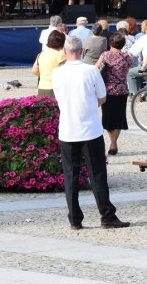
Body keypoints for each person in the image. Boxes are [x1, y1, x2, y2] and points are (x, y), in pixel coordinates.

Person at [52, 36, 129, 230]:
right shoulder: (90, 71)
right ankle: (107, 215)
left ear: (64, 51)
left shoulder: (57, 73)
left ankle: (74, 219)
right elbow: (102, 98)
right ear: (82, 51)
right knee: (97, 174)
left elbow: (59, 97)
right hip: (89, 129)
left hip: (68, 129)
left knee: (70, 175)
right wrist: (88, 105)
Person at [95, 32, 132, 156]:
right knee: (119, 117)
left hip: (108, 90)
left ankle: (113, 143)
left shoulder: (105, 55)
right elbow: (128, 69)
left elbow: (96, 69)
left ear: (111, 43)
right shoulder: (127, 56)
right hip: (122, 90)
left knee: (108, 117)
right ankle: (114, 142)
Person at [33, 30, 66, 97]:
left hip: (42, 88)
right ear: (62, 42)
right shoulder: (61, 55)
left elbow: (34, 71)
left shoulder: (41, 54)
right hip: (56, 88)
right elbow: (65, 73)